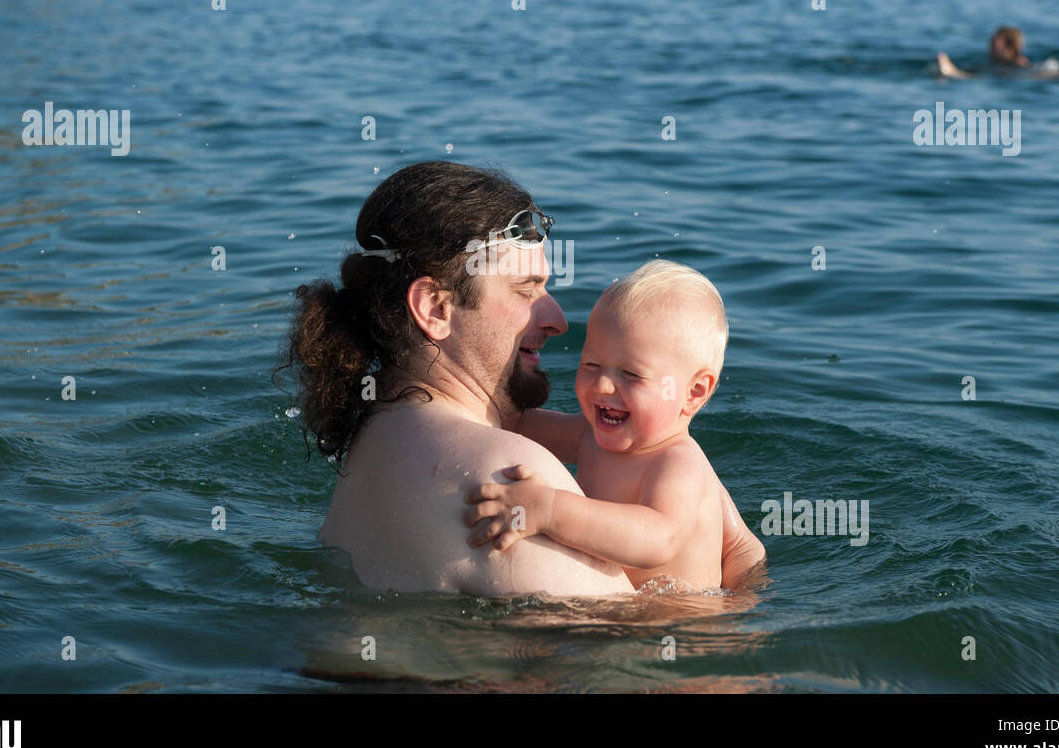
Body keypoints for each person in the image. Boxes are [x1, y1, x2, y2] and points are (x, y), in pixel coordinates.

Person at [280, 161, 762, 596]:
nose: (556, 319)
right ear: (435, 307)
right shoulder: (510, 477)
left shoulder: (370, 438)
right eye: (525, 289)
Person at [465, 260, 766, 591]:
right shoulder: (588, 433)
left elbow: (663, 538)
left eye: (631, 374)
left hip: (677, 625)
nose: (603, 386)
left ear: (693, 392)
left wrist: (548, 510)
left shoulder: (678, 464)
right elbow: (515, 424)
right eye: (591, 364)